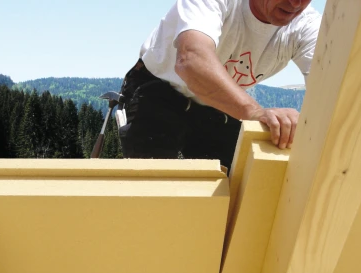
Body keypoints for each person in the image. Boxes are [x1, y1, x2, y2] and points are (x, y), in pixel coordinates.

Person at [119, 0, 321, 169]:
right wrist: (255, 113)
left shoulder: (307, 25)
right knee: (153, 187)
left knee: (234, 190)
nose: (296, 3)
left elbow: (330, 93)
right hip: (159, 91)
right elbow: (191, 62)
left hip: (219, 104)